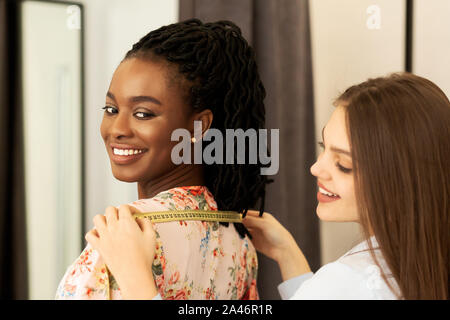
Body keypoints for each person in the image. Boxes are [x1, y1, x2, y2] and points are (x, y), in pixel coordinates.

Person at [55, 19, 271, 300]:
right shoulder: (239, 244)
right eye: (111, 108)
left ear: (199, 126)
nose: (117, 129)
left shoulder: (120, 241)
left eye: (143, 113)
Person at [244, 72, 449, 300]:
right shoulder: (429, 262)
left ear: (400, 181)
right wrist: (286, 253)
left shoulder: (346, 281)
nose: (316, 168)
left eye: (343, 164)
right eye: (324, 147)